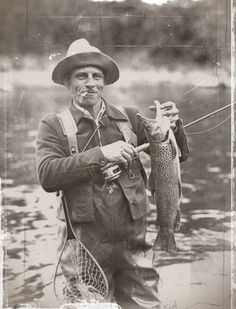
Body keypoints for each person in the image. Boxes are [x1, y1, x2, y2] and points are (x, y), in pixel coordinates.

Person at [36, 38, 189, 309]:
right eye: (82, 76)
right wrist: (101, 154)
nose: (91, 83)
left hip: (133, 242)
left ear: (104, 82)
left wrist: (174, 127)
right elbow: (47, 175)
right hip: (86, 249)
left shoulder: (129, 117)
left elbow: (174, 156)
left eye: (97, 76)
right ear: (67, 83)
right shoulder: (52, 126)